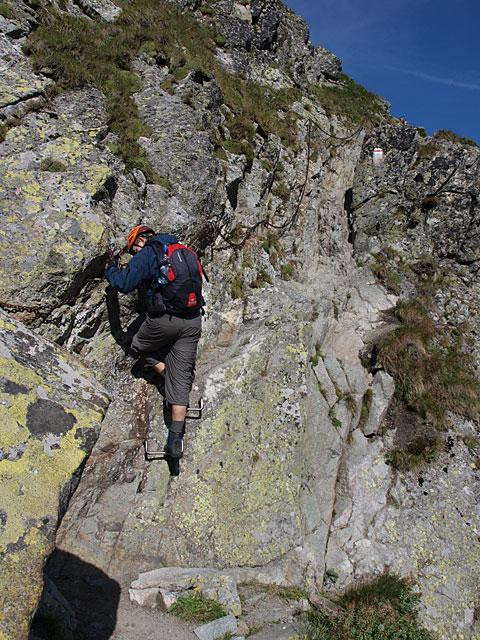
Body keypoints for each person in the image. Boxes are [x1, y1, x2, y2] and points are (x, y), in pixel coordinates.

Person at [105, 225, 203, 459]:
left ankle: (164, 371)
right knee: (180, 384)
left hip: (164, 321)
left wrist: (109, 269)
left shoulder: (150, 252)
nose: (134, 254)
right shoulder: (183, 250)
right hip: (193, 321)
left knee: (136, 346)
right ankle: (175, 442)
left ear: (140, 240)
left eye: (133, 249)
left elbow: (124, 283)